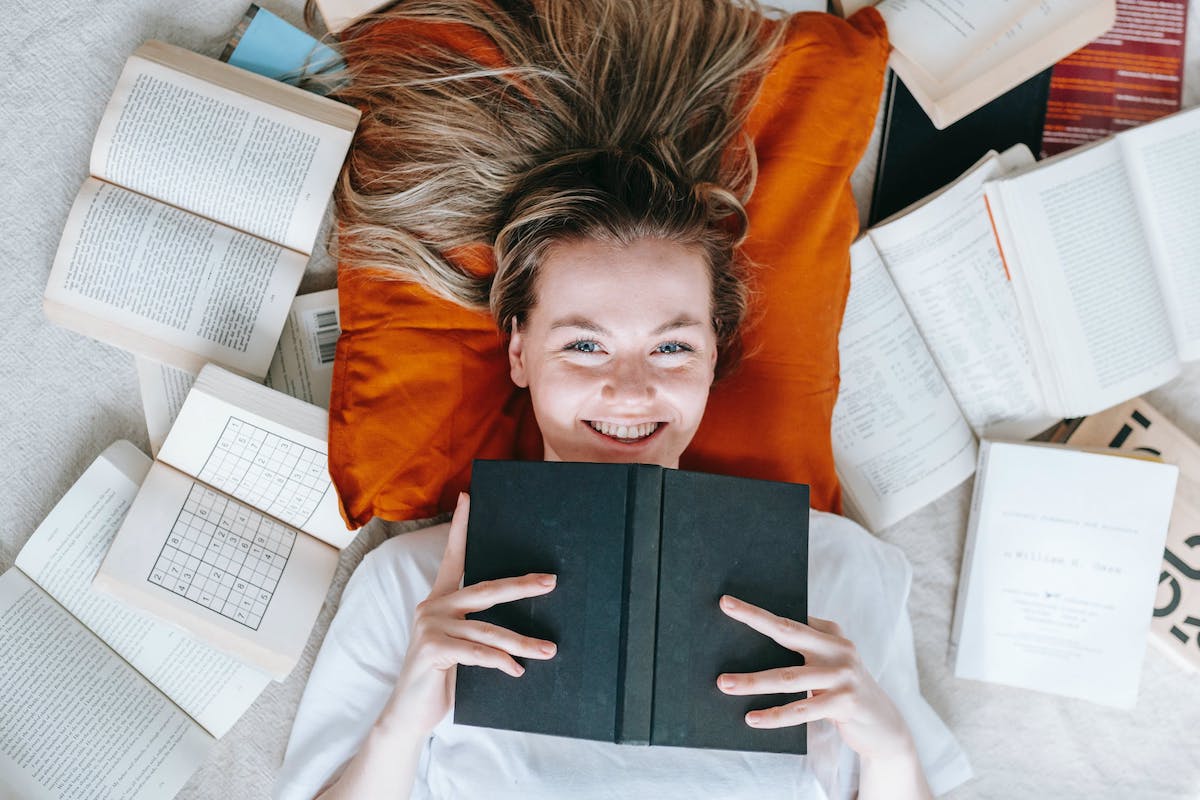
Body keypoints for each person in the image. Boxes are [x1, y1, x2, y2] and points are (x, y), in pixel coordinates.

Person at [277, 1, 972, 797]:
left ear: (716, 356)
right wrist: (404, 721)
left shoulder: (840, 571)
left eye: (672, 346)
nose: (632, 390)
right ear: (518, 353)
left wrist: (890, 754)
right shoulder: (413, 588)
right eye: (583, 344)